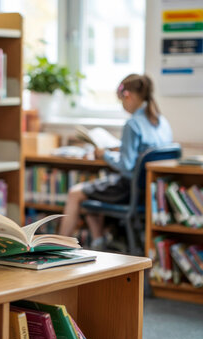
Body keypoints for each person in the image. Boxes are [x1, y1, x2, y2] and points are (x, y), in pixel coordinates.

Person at [58, 74, 173, 250]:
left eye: (122, 101)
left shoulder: (132, 124)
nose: (123, 106)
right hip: (150, 190)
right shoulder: (161, 121)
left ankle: (58, 246)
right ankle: (99, 242)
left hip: (129, 188)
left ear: (129, 96)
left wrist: (104, 155)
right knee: (92, 193)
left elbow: (127, 167)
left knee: (76, 193)